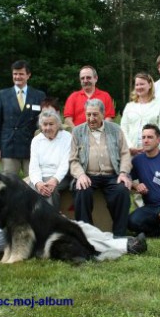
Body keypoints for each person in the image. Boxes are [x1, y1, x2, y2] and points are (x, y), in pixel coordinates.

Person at [0, 173, 146, 261]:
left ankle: (122, 241)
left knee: (82, 227)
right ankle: (128, 247)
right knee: (78, 238)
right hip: (31, 240)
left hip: (39, 224)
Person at [69, 99, 132, 237]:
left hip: (112, 175)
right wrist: (80, 175)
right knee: (82, 190)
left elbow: (125, 154)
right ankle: (86, 235)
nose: (91, 118)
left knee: (122, 190)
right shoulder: (77, 131)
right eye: (88, 114)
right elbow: (73, 160)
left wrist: (123, 173)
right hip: (88, 175)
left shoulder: (115, 129)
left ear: (103, 114)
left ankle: (119, 235)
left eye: (95, 114)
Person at [0, 60, 46, 175]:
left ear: (28, 75)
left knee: (34, 184)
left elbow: (44, 122)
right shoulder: (2, 95)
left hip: (32, 148)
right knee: (8, 186)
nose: (17, 77)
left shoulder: (39, 95)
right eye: (15, 74)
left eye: (21, 74)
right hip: (9, 148)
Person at [29, 110, 72, 209]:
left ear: (57, 124)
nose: (48, 127)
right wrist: (38, 183)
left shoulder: (67, 137)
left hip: (60, 176)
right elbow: (34, 166)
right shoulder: (36, 140)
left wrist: (54, 180)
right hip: (41, 175)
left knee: (50, 192)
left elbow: (65, 163)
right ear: (41, 126)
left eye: (51, 124)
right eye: (45, 124)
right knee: (32, 191)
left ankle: (52, 222)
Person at [120, 72, 160, 156]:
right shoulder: (129, 106)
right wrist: (130, 146)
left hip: (155, 151)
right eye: (137, 85)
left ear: (150, 85)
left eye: (142, 84)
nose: (139, 87)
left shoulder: (159, 104)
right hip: (133, 152)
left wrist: (152, 145)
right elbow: (123, 128)